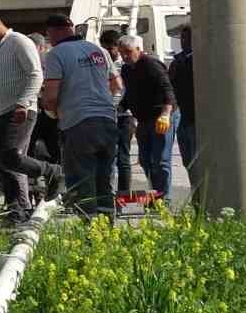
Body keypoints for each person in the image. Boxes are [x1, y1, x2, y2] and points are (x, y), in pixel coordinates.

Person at [0, 9, 62, 222]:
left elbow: (35, 74)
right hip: (0, 113)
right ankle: (16, 209)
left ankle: (52, 171)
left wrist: (23, 103)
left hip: (19, 111)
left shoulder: (19, 42)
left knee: (12, 155)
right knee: (2, 162)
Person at [39, 15, 121, 211]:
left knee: (82, 181)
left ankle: (90, 234)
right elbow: (117, 85)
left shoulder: (56, 54)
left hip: (78, 123)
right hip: (108, 121)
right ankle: (106, 230)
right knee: (104, 180)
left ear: (52, 32)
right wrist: (108, 105)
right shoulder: (98, 50)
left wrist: (52, 112)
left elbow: (51, 97)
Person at [118, 34, 178, 198]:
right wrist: (120, 108)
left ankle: (163, 199)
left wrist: (166, 114)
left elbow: (167, 90)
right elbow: (131, 93)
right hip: (144, 119)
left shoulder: (151, 65)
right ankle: (155, 194)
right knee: (145, 160)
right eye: (121, 53)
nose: (124, 56)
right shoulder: (126, 69)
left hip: (161, 116)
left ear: (138, 50)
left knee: (161, 161)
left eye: (128, 52)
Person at [99, 30, 135, 196]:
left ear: (116, 47)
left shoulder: (126, 65)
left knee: (123, 157)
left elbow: (126, 90)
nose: (107, 53)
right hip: (107, 115)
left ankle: (124, 195)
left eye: (109, 49)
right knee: (107, 157)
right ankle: (108, 193)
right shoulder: (102, 64)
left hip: (124, 116)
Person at [167, 24, 197, 183]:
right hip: (182, 116)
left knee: (195, 159)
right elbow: (169, 85)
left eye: (188, 38)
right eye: (182, 38)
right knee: (187, 160)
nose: (184, 41)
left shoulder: (199, 60)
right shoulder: (178, 61)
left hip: (195, 117)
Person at [27, 33, 62, 166]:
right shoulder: (49, 60)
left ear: (41, 47)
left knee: (48, 146)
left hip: (44, 110)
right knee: (53, 147)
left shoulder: (48, 61)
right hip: (45, 111)